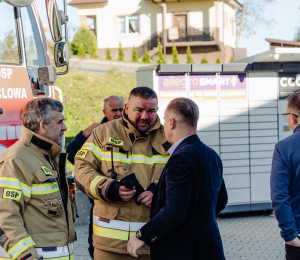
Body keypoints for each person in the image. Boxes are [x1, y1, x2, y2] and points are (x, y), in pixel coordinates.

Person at [74, 87, 170, 260]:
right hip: (110, 246)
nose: (144, 116)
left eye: (151, 111)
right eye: (139, 110)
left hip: (155, 244)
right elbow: (81, 169)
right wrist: (108, 187)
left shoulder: (169, 137)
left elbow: (185, 177)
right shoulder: (103, 133)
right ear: (126, 108)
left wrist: (160, 191)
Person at [127, 97, 228, 260]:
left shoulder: (180, 158)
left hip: (182, 251)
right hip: (211, 247)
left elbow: (174, 211)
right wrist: (199, 222)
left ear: (171, 123)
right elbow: (221, 199)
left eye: (165, 120)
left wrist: (141, 235)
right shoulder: (212, 155)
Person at [0, 98, 76, 260]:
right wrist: (27, 257)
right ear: (43, 126)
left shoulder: (48, 155)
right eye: (60, 122)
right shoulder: (16, 159)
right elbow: (5, 218)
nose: (65, 127)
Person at [67, 95, 124, 259]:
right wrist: (84, 134)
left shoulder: (130, 131)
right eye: (114, 110)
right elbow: (73, 156)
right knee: (96, 248)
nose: (119, 114)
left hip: (127, 202)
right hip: (101, 203)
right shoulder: (96, 133)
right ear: (105, 112)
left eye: (121, 109)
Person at [271, 92, 300, 260]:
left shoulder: (284, 148)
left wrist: (290, 236)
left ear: (294, 118)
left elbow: (279, 196)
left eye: (286, 115)